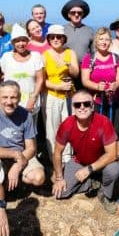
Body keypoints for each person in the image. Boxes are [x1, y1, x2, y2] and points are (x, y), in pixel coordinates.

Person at [52, 90, 119, 214]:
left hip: (103, 163)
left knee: (114, 169)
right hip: (80, 161)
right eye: (77, 105)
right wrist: (59, 177)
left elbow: (112, 154)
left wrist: (89, 169)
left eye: (86, 104)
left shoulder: (103, 122)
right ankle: (91, 182)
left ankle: (106, 194)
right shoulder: (67, 125)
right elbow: (57, 152)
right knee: (61, 192)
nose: (82, 107)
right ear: (72, 108)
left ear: (93, 105)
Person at [0, 81, 46, 191]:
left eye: (13, 97)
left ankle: (16, 181)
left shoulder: (26, 115)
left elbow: (32, 148)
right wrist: (15, 154)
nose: (9, 102)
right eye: (5, 97)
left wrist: (17, 166)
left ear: (19, 98)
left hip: (21, 155)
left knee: (38, 178)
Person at [42, 24, 79, 165]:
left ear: (64, 38)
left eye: (59, 37)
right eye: (52, 37)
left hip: (69, 95)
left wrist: (67, 64)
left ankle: (68, 158)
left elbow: (76, 73)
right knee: (52, 128)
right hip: (52, 96)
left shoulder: (70, 53)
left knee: (69, 126)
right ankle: (54, 159)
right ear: (49, 39)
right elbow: (42, 80)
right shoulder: (44, 55)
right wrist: (58, 86)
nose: (56, 39)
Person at [0, 24, 45, 116]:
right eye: (17, 41)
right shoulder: (6, 57)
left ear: (27, 41)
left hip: (30, 101)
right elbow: (3, 75)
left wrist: (33, 98)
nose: (20, 44)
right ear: (13, 43)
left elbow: (40, 79)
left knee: (30, 128)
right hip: (9, 102)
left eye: (23, 40)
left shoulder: (36, 56)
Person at [80, 27, 119, 121]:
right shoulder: (89, 58)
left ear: (110, 42)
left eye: (107, 39)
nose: (104, 42)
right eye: (101, 39)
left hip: (114, 102)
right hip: (96, 102)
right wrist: (97, 87)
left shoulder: (115, 58)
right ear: (96, 41)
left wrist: (115, 85)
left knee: (114, 131)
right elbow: (85, 80)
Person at [61, 0, 94, 66]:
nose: (76, 15)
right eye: (73, 13)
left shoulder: (89, 30)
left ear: (83, 15)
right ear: (68, 15)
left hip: (85, 69)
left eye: (79, 13)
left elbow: (94, 51)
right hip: (66, 69)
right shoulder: (61, 30)